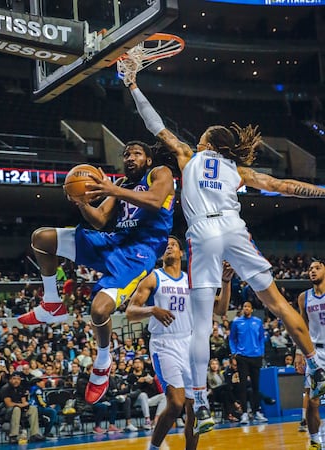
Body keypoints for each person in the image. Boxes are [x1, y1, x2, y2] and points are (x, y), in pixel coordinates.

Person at [123, 69, 325, 433]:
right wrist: (322, 191)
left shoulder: (188, 156)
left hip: (203, 232)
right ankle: (315, 365)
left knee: (201, 325)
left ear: (207, 144)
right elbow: (282, 186)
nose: (197, 141)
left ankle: (199, 400)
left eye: (201, 139)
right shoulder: (237, 169)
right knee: (277, 302)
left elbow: (155, 125)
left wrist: (133, 85)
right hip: (234, 228)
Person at [18, 140, 175, 405]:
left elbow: (155, 201)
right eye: (126, 154)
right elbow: (101, 220)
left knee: (99, 311)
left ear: (148, 160)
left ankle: (103, 361)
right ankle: (52, 303)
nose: (130, 157)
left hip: (138, 254)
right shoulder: (121, 186)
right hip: (113, 242)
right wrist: (81, 203)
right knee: (41, 239)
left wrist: (112, 189)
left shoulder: (159, 173)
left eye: (136, 153)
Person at [126, 235, 234, 447]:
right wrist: (152, 310)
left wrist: (226, 281)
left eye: (173, 245)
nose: (169, 247)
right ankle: (154, 446)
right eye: (165, 245)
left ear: (181, 253)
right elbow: (130, 311)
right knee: (175, 403)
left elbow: (220, 309)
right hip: (164, 344)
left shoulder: (191, 281)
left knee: (194, 407)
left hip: (189, 343)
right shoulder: (153, 278)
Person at [295, 259, 325, 450]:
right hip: (315, 352)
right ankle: (315, 440)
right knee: (313, 401)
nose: (312, 271)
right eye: (310, 269)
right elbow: (301, 327)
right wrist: (299, 352)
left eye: (317, 268)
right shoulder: (303, 297)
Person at [229, 301, 268, 424]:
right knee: (243, 386)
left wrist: (261, 351)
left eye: (248, 307)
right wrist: (234, 352)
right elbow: (232, 338)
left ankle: (256, 411)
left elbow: (261, 338)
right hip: (242, 357)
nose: (246, 308)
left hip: (256, 356)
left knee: (256, 386)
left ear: (251, 309)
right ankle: (244, 413)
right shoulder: (236, 322)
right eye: (244, 306)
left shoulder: (258, 321)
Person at [0, 371, 45, 444]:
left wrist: (24, 405)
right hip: (6, 412)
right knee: (16, 408)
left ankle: (34, 434)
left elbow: (24, 402)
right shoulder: (5, 388)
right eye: (14, 379)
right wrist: (21, 405)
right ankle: (13, 436)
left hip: (19, 410)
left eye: (18, 379)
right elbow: (8, 404)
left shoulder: (20, 388)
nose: (16, 381)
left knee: (33, 408)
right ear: (10, 379)